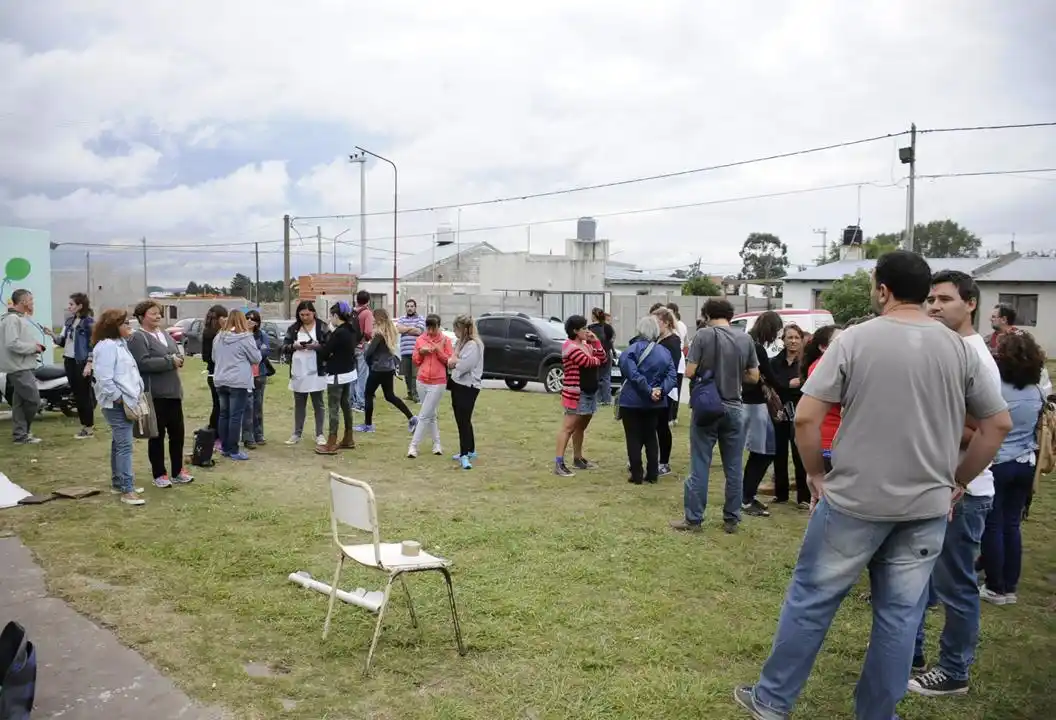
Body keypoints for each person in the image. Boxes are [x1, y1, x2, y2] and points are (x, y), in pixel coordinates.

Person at [734, 251, 1011, 720]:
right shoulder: (960, 348)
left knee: (812, 600)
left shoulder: (856, 339)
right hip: (925, 507)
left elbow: (805, 415)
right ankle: (877, 713)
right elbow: (997, 425)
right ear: (924, 293)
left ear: (882, 290)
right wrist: (957, 481)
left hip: (853, 503)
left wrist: (815, 474)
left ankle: (773, 700)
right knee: (901, 615)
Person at [907, 269, 1002, 695]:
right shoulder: (949, 348)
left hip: (963, 492)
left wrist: (960, 478)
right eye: (931, 299)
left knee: (955, 586)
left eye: (945, 299)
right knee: (921, 580)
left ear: (971, 303)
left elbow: (990, 428)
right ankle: (913, 654)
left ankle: (954, 671)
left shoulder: (973, 355)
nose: (934, 307)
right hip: (937, 487)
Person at [671, 299, 759, 534]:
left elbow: (689, 371)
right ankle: (731, 518)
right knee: (733, 466)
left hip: (708, 406)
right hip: (735, 407)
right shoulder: (745, 338)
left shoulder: (703, 336)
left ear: (707, 314)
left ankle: (694, 519)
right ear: (730, 315)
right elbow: (754, 377)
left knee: (700, 464)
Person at [979, 331, 1046, 606]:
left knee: (993, 526)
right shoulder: (1037, 391)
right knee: (1012, 525)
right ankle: (1009, 587)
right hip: (1025, 462)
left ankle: (994, 585)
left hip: (1000, 462)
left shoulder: (996, 391)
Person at [128, 300, 194, 487]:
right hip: (155, 393)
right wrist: (168, 361)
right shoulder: (138, 338)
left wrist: (178, 359)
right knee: (157, 436)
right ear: (141, 316)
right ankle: (159, 474)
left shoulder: (164, 333)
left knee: (177, 434)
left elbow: (176, 353)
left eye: (159, 313)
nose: (158, 316)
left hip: (173, 391)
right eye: (153, 313)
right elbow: (142, 362)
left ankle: (178, 470)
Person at [91, 309, 146, 506]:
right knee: (124, 446)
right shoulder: (107, 346)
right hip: (117, 404)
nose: (129, 327)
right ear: (114, 326)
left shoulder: (120, 344)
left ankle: (118, 482)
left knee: (119, 443)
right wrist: (119, 399)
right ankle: (127, 489)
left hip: (128, 399)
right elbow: (104, 379)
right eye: (125, 324)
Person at [618, 315, 677, 484]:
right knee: (651, 436)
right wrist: (660, 390)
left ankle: (636, 474)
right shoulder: (664, 352)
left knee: (633, 436)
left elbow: (631, 374)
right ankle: (652, 474)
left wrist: (647, 389)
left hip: (632, 400)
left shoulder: (631, 350)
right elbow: (672, 376)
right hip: (655, 402)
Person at [739, 311, 783, 518]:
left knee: (760, 452)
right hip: (757, 406)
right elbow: (772, 378)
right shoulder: (757, 348)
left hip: (748, 404)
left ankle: (746, 494)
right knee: (763, 452)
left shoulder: (747, 342)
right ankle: (746, 497)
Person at [553, 314, 607, 477]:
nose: (587, 330)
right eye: (583, 328)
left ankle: (578, 458)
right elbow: (589, 362)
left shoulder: (586, 344)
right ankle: (559, 463)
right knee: (568, 428)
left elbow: (602, 358)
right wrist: (596, 357)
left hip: (590, 392)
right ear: (575, 331)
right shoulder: (569, 347)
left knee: (581, 427)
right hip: (576, 394)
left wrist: (596, 342)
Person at [211, 310, 261, 461]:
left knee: (223, 414)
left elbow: (214, 357)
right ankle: (233, 449)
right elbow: (256, 358)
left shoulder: (218, 337)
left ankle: (225, 447)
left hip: (220, 379)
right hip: (238, 381)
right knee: (235, 416)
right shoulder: (246, 337)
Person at [358, 308, 416, 434]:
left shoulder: (379, 335)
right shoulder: (391, 331)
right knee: (390, 396)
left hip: (378, 368)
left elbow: (368, 353)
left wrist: (368, 355)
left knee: (368, 394)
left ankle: (368, 425)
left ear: (378, 319)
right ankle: (411, 418)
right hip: (388, 368)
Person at [770, 324, 809, 507]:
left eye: (796, 338)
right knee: (779, 453)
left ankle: (804, 497)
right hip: (779, 413)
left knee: (799, 455)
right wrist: (789, 385)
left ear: (801, 340)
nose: (793, 341)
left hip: (799, 413)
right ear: (783, 340)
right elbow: (774, 385)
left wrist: (789, 386)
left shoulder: (806, 363)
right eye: (789, 337)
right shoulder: (775, 362)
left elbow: (805, 387)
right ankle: (781, 493)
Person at [1, 289, 47, 445]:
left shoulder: (16, 318)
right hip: (18, 368)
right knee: (33, 400)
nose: (33, 303)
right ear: (23, 302)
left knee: (19, 404)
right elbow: (12, 344)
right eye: (31, 300)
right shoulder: (12, 319)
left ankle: (21, 436)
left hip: (21, 366)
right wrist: (34, 348)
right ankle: (23, 433)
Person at [282, 300, 330, 446]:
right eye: (301, 314)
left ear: (313, 313)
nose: (304, 317)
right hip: (299, 370)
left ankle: (320, 433)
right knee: (299, 403)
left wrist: (317, 347)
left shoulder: (322, 326)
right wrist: (293, 346)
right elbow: (283, 346)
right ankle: (297, 433)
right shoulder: (294, 328)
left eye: (307, 314)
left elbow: (329, 346)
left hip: (316, 369)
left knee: (318, 403)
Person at [316, 302, 359, 454]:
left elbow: (325, 352)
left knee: (333, 407)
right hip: (349, 372)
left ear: (335, 316)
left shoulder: (338, 333)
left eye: (331, 315)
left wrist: (324, 341)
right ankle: (348, 437)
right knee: (346, 405)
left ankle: (331, 442)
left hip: (336, 374)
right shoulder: (352, 330)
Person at [408, 314, 453, 458]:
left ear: (439, 327)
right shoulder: (421, 339)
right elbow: (416, 360)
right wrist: (422, 352)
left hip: (438, 381)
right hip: (422, 380)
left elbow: (449, 360)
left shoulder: (446, 340)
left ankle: (413, 446)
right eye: (428, 328)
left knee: (423, 415)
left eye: (433, 328)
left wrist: (438, 350)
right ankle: (437, 444)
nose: (431, 331)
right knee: (430, 414)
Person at [800, 324, 842, 473]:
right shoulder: (823, 367)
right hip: (829, 442)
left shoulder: (832, 366)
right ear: (823, 347)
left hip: (835, 441)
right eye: (839, 342)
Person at [56, 292, 95, 439]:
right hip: (69, 360)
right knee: (77, 395)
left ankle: (89, 428)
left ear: (80, 306)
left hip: (82, 362)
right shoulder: (70, 321)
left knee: (84, 395)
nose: (69, 306)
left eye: (72, 304)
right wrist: (51, 335)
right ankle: (84, 426)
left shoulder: (89, 322)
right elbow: (62, 341)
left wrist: (89, 364)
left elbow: (93, 344)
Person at [448, 315, 485, 469]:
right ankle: (470, 449)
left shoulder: (473, 345)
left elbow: (463, 366)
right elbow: (451, 361)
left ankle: (464, 454)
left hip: (468, 386)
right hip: (457, 384)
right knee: (462, 420)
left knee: (463, 420)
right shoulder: (460, 344)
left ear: (464, 329)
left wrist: (455, 361)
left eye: (457, 328)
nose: (454, 332)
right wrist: (454, 359)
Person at [652, 307, 683, 476]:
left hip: (665, 388)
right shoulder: (657, 339)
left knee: (662, 425)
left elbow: (670, 365)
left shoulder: (672, 341)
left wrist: (661, 387)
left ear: (666, 322)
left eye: (657, 322)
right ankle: (654, 458)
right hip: (655, 386)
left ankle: (664, 462)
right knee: (653, 424)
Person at [241, 309, 270, 448]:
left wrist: (255, 355)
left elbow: (265, 351)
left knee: (257, 406)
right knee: (247, 406)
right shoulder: (240, 335)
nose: (250, 321)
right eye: (247, 318)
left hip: (259, 374)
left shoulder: (262, 335)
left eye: (253, 319)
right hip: (244, 374)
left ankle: (259, 434)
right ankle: (247, 436)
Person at [201, 304, 229, 440]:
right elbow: (206, 356)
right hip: (216, 373)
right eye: (224, 317)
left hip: (216, 373)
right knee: (219, 405)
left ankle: (215, 429)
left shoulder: (212, 333)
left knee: (219, 405)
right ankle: (215, 430)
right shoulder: (212, 335)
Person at [396, 299, 426, 402]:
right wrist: (411, 328)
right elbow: (398, 329)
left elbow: (419, 331)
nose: (409, 308)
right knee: (406, 374)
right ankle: (409, 394)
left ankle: (416, 395)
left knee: (415, 375)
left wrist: (405, 328)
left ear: (415, 307)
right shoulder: (401, 318)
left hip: (416, 351)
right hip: (405, 351)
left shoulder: (421, 318)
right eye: (408, 306)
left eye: (412, 306)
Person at [350, 290, 374, 411]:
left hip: (350, 347)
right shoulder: (367, 313)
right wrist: (368, 339)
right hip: (361, 346)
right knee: (363, 375)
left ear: (357, 300)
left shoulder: (351, 312)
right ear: (368, 300)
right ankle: (360, 402)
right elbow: (368, 331)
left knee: (352, 375)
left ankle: (351, 401)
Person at [666, 302, 689, 425]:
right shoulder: (682, 325)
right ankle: (673, 416)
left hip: (674, 358)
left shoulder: (674, 326)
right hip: (679, 358)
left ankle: (671, 416)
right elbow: (686, 344)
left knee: (673, 388)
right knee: (676, 388)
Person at [587, 307, 615, 406]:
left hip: (595, 354)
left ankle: (598, 399)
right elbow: (611, 341)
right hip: (607, 354)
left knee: (596, 377)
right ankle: (607, 399)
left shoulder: (590, 329)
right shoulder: (607, 327)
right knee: (606, 377)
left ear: (594, 316)